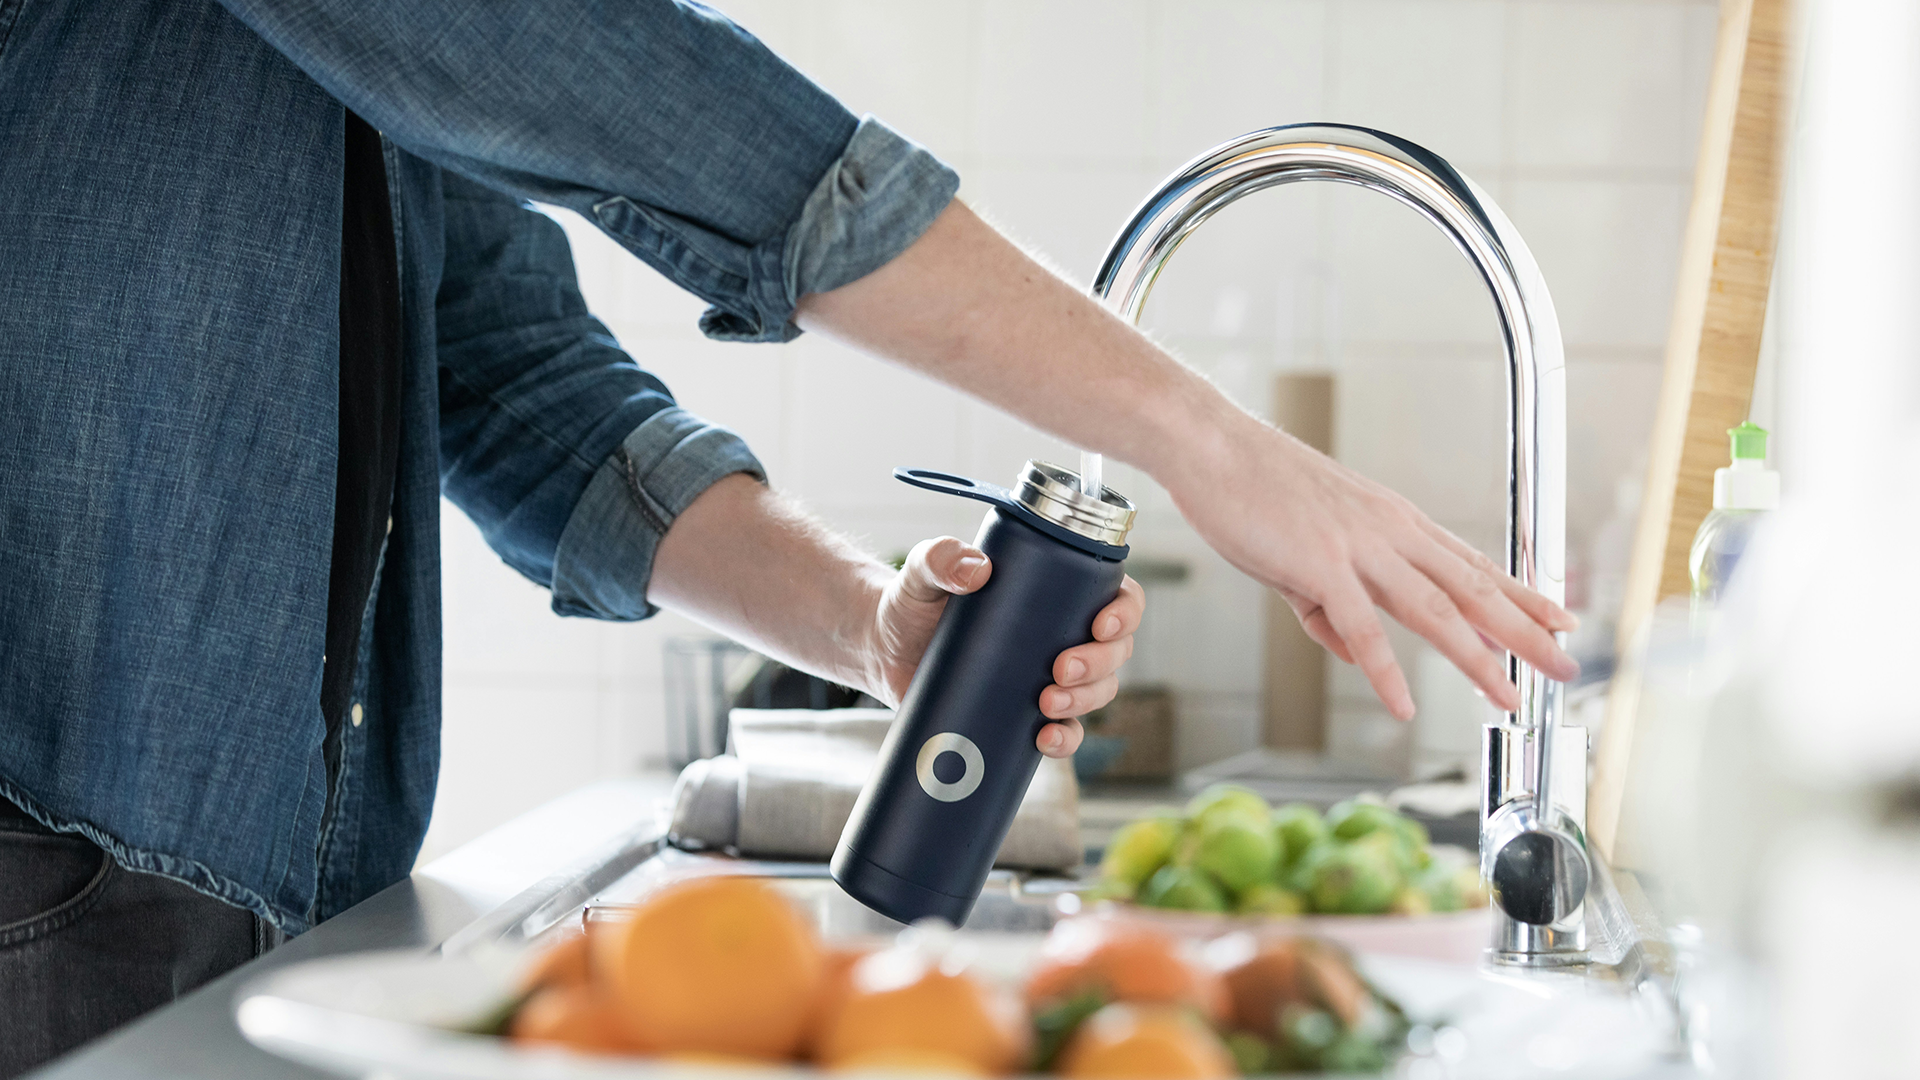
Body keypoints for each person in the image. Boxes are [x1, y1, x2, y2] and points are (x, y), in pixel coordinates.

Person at [0, 0, 1577, 1071]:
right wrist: (1205, 441)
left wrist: (869, 624)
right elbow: (661, 113)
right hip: (42, 861)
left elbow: (504, 374)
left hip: (231, 884)